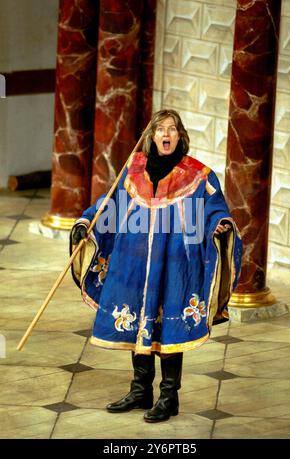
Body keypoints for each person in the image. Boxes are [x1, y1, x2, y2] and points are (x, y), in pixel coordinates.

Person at [70, 109, 242, 423]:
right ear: (152, 136)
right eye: (160, 129)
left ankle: (168, 397)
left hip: (175, 265)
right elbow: (110, 203)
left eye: (172, 129)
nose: (166, 134)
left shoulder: (198, 175)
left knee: (168, 326)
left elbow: (215, 208)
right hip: (133, 263)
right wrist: (87, 221)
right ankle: (140, 391)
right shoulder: (133, 168)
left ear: (180, 136)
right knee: (137, 320)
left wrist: (218, 225)